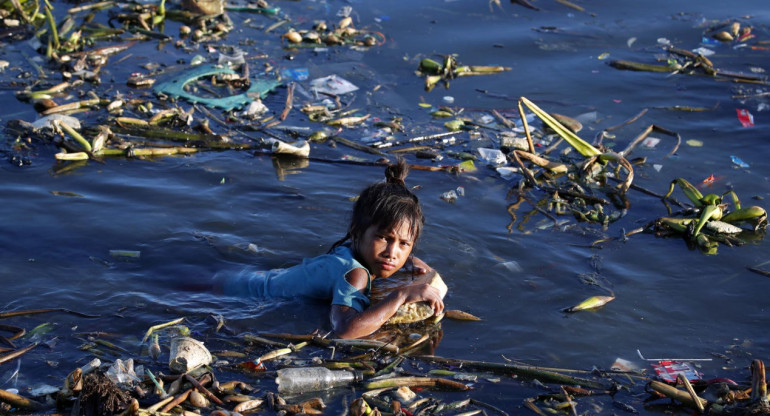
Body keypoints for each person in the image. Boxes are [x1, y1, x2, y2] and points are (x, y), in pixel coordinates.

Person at [216, 158, 444, 339]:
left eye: (404, 244)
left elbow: (391, 248)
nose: (392, 253)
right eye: (384, 238)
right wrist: (400, 296)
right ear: (357, 231)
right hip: (240, 294)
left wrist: (412, 262)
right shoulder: (356, 274)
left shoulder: (352, 249)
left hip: (248, 279)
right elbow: (345, 329)